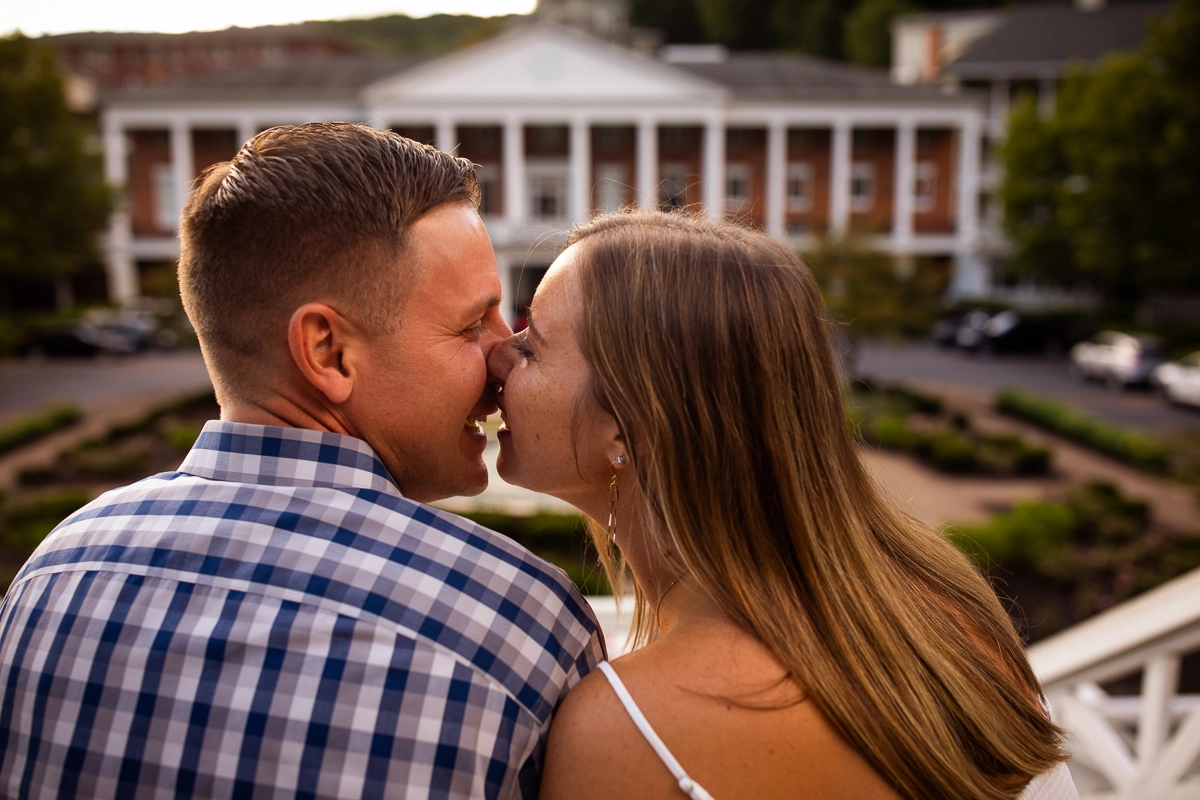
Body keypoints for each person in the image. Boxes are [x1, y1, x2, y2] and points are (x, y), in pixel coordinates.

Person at [0, 122, 604, 800]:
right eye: (472, 325)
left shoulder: (52, 575)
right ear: (328, 353)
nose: (506, 353)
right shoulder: (514, 626)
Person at [486, 210, 1079, 800]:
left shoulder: (622, 732)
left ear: (624, 428)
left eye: (532, 345)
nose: (497, 357)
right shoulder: (948, 615)